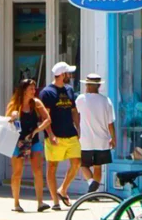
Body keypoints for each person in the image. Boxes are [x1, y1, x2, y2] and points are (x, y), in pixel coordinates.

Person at [41, 63, 84, 200]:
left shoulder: (69, 90)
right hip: (55, 135)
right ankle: (55, 201)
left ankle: (63, 189)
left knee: (77, 163)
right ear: (62, 75)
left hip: (70, 133)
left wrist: (78, 127)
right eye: (68, 73)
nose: (70, 76)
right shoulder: (47, 92)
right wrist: (51, 134)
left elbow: (74, 111)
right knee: (52, 166)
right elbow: (45, 116)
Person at [7, 78, 50, 211]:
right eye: (31, 88)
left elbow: (48, 119)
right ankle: (16, 203)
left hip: (33, 140)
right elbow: (6, 122)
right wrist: (12, 117)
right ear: (24, 90)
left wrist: (37, 130)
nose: (34, 91)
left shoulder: (36, 103)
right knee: (17, 172)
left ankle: (40, 203)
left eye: (34, 88)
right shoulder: (15, 104)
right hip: (18, 142)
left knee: (37, 170)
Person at [75, 72, 116, 192]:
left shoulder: (80, 99)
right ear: (98, 86)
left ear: (87, 85)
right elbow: (110, 123)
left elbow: (75, 115)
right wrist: (113, 138)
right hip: (102, 140)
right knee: (98, 167)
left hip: (85, 139)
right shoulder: (106, 101)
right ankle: (93, 189)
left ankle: (91, 185)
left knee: (83, 165)